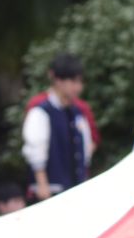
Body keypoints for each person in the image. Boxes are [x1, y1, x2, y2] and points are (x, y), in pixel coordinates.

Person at [20, 53, 93, 200]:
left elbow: (85, 150)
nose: (78, 87)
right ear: (58, 81)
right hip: (50, 192)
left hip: (74, 189)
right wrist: (42, 184)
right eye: (73, 81)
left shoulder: (78, 113)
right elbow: (35, 151)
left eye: (80, 82)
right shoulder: (41, 112)